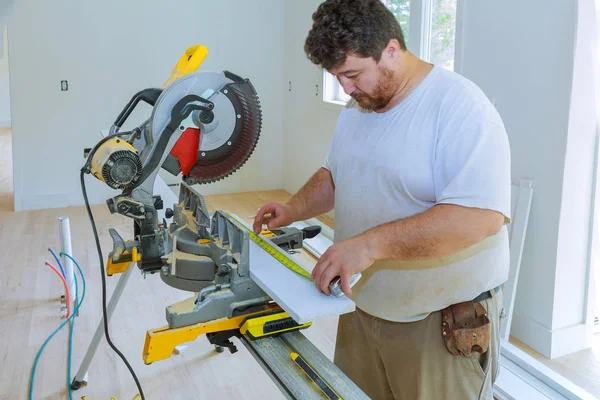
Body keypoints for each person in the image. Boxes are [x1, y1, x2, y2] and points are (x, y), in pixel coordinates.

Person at [253, 0, 511, 398]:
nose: (346, 89)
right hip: (361, 306)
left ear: (391, 49)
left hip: (437, 323)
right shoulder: (359, 109)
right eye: (337, 77)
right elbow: (336, 176)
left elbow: (480, 219)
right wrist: (293, 209)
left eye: (352, 74)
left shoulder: (459, 107)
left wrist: (369, 246)